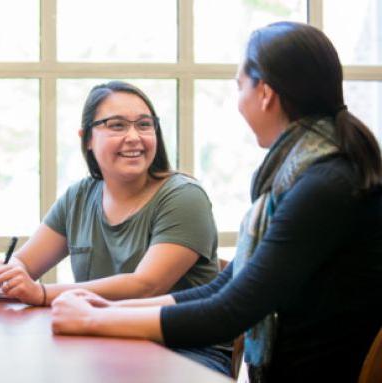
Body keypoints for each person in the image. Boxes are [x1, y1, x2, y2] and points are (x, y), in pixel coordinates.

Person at [51, 22, 382, 383]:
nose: (238, 103)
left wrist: (94, 318)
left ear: (266, 94)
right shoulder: (309, 174)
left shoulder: (324, 186)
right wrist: (108, 309)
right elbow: (222, 287)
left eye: (240, 87)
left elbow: (231, 311)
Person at [0, 81, 219, 307]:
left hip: (182, 350)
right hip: (105, 338)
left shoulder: (185, 197)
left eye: (144, 125)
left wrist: (44, 293)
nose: (133, 137)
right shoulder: (79, 196)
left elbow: (146, 286)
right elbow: (25, 263)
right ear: (87, 138)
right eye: (117, 126)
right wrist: (4, 272)